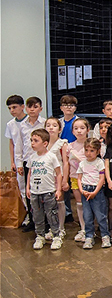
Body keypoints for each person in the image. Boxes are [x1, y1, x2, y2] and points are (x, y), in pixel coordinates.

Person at [26, 129, 63, 250]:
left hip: (48, 192)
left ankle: (56, 236)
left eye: (36, 141)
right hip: (35, 192)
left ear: (45, 143)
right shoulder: (32, 158)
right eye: (31, 140)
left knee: (51, 214)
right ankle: (40, 236)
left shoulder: (51, 157)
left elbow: (58, 173)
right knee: (37, 215)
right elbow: (30, 173)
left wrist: (58, 189)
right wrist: (28, 188)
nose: (32, 143)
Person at [17, 96, 46, 231]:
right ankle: (32, 220)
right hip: (28, 162)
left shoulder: (44, 123)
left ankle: (45, 221)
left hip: (42, 162)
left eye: (35, 107)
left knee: (43, 191)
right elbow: (19, 145)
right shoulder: (22, 125)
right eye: (30, 107)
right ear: (26, 108)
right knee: (29, 192)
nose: (32, 109)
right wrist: (19, 163)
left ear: (40, 108)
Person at [77, 137, 110, 249]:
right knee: (87, 216)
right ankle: (89, 236)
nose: (88, 153)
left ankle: (105, 235)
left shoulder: (99, 163)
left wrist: (95, 191)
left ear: (98, 151)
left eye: (92, 151)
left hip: (97, 191)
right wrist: (82, 190)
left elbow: (101, 178)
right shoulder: (82, 163)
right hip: (85, 190)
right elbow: (79, 178)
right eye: (86, 150)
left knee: (100, 215)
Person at [44, 117, 69, 240]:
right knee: (49, 203)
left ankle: (61, 227)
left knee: (59, 201)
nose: (51, 128)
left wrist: (65, 180)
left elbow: (65, 162)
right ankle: (52, 227)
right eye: (48, 125)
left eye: (54, 125)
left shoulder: (62, 143)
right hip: (46, 177)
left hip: (58, 176)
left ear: (59, 129)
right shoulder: (43, 144)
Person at [5, 95, 28, 225]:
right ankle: (28, 213)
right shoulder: (10, 124)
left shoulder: (30, 121)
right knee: (22, 187)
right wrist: (12, 161)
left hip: (31, 158)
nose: (12, 110)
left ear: (22, 107)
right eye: (10, 108)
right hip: (19, 160)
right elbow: (11, 143)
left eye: (14, 107)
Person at [67, 118, 90, 242]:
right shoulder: (69, 146)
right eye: (76, 128)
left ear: (88, 129)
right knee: (79, 203)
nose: (79, 131)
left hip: (90, 179)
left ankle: (91, 228)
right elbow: (66, 164)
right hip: (75, 178)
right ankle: (83, 228)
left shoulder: (93, 145)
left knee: (91, 204)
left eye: (82, 128)